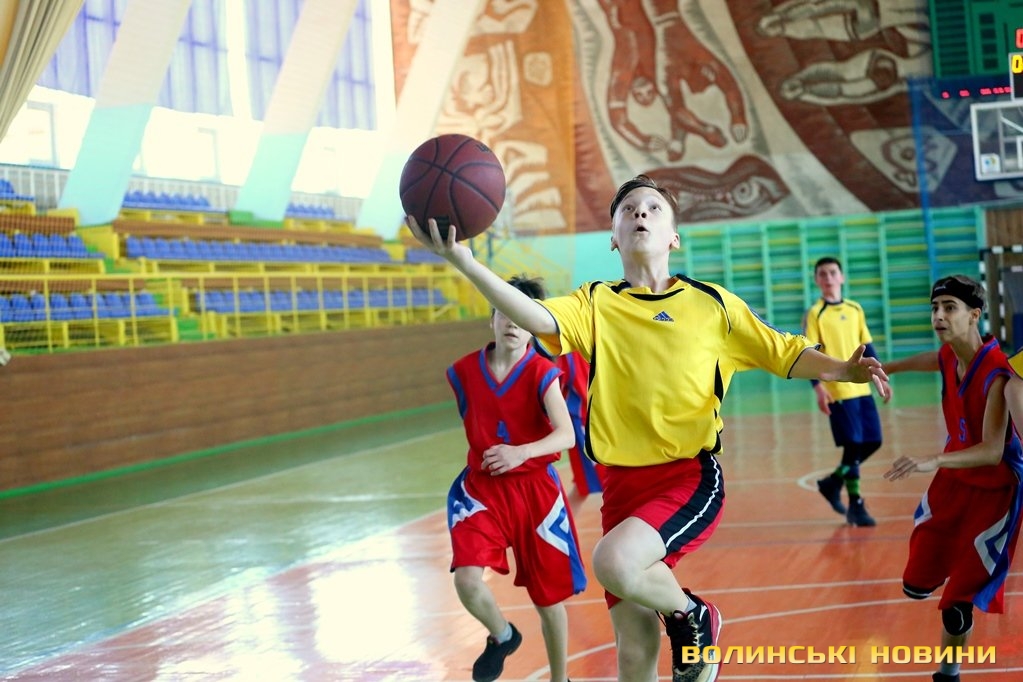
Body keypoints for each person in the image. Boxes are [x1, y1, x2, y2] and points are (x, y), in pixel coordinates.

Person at [409, 174, 890, 682]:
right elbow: (536, 317)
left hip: (687, 477)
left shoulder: (712, 305)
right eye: (628, 208)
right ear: (613, 238)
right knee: (635, 652)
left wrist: (843, 369)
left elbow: (784, 351)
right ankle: (686, 620)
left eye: (654, 208)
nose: (641, 212)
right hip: (621, 487)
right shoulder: (596, 303)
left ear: (674, 237)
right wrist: (464, 261)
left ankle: (695, 616)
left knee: (614, 562)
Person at [445, 274, 586, 682]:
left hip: (536, 494)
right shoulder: (463, 372)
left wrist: (521, 451)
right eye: (504, 313)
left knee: (548, 601)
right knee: (467, 579)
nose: (512, 323)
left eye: (521, 316)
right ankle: (503, 635)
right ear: (491, 318)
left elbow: (567, 434)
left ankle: (560, 679)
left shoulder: (542, 373)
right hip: (482, 491)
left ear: (534, 326)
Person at [883, 275, 1023, 682]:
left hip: (994, 494)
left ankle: (948, 673)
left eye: (949, 307)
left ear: (974, 314)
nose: (938, 316)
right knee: (915, 584)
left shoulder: (998, 373)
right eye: (935, 308)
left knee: (957, 604)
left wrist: (934, 459)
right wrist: (887, 367)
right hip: (954, 483)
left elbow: (992, 450)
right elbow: (935, 359)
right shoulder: (951, 355)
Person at [803, 256, 885, 526]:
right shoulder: (816, 313)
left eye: (832, 272)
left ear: (842, 277)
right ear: (816, 280)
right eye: (822, 274)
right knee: (853, 445)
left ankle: (833, 482)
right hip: (837, 389)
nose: (828, 278)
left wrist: (881, 376)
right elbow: (808, 353)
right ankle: (856, 504)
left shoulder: (855, 309)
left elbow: (867, 346)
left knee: (872, 441)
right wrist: (818, 387)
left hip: (861, 387)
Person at [553, 351, 608, 499]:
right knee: (594, 476)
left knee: (595, 476)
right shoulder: (572, 349)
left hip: (594, 416)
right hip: (587, 418)